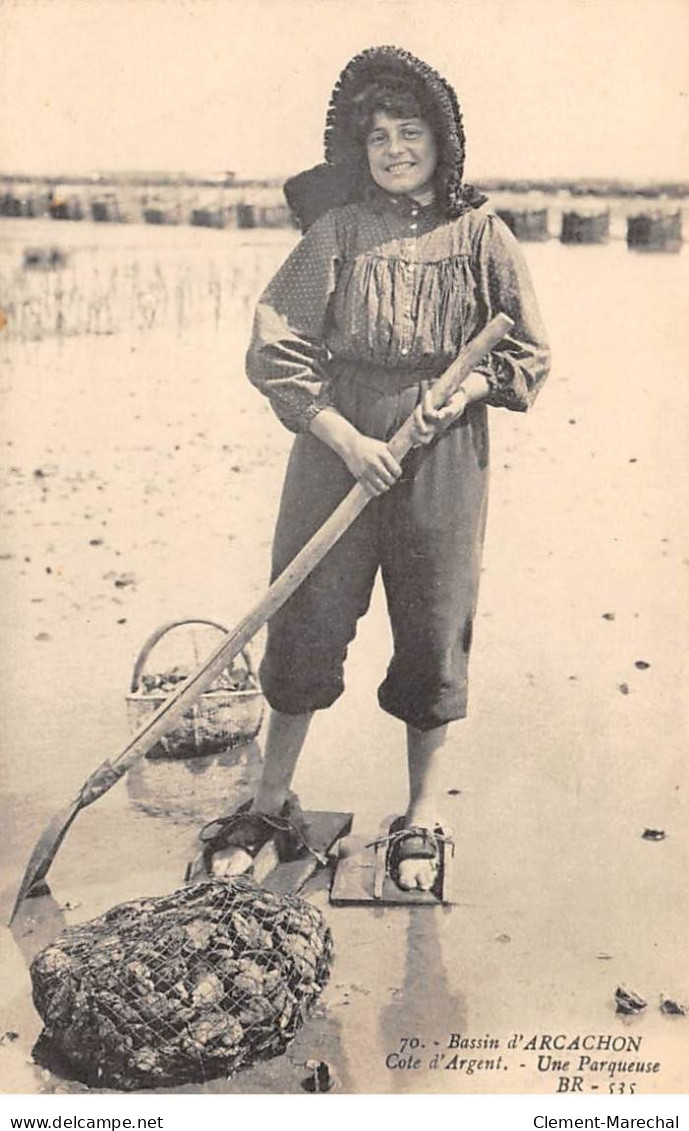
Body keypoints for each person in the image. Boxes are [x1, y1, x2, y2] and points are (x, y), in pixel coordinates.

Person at [203, 46, 550, 892]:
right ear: (358, 150)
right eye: (380, 136)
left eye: (411, 133)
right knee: (305, 612)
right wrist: (343, 435)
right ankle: (273, 797)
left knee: (433, 624)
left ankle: (422, 813)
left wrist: (464, 386)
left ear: (443, 142)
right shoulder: (337, 232)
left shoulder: (483, 236)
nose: (396, 149)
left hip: (441, 453)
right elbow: (277, 344)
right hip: (335, 448)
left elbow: (529, 353)